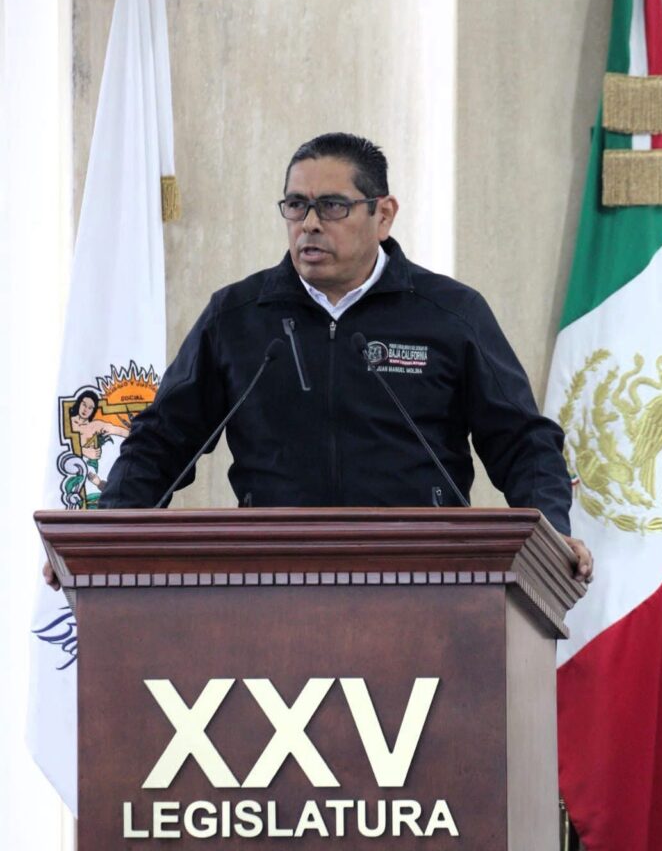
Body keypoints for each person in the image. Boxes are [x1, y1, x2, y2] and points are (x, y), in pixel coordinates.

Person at [49, 132, 592, 583]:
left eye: (332, 206)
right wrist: (103, 539)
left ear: (383, 214)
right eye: (296, 205)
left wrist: (551, 533)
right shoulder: (238, 317)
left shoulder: (449, 314)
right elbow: (161, 441)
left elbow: (523, 441)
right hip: (269, 581)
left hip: (423, 579)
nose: (309, 223)